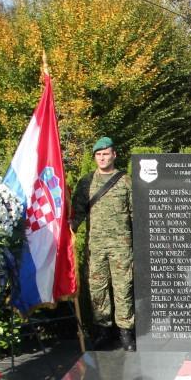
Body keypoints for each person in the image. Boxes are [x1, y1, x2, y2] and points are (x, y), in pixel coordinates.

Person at [71, 137, 135, 351]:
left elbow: (135, 214)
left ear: (114, 155)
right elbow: (76, 214)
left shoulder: (126, 181)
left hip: (121, 246)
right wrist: (68, 232)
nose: (102, 158)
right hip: (96, 246)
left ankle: (126, 332)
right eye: (98, 155)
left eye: (105, 154)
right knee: (97, 289)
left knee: (123, 288)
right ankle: (103, 331)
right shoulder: (86, 182)